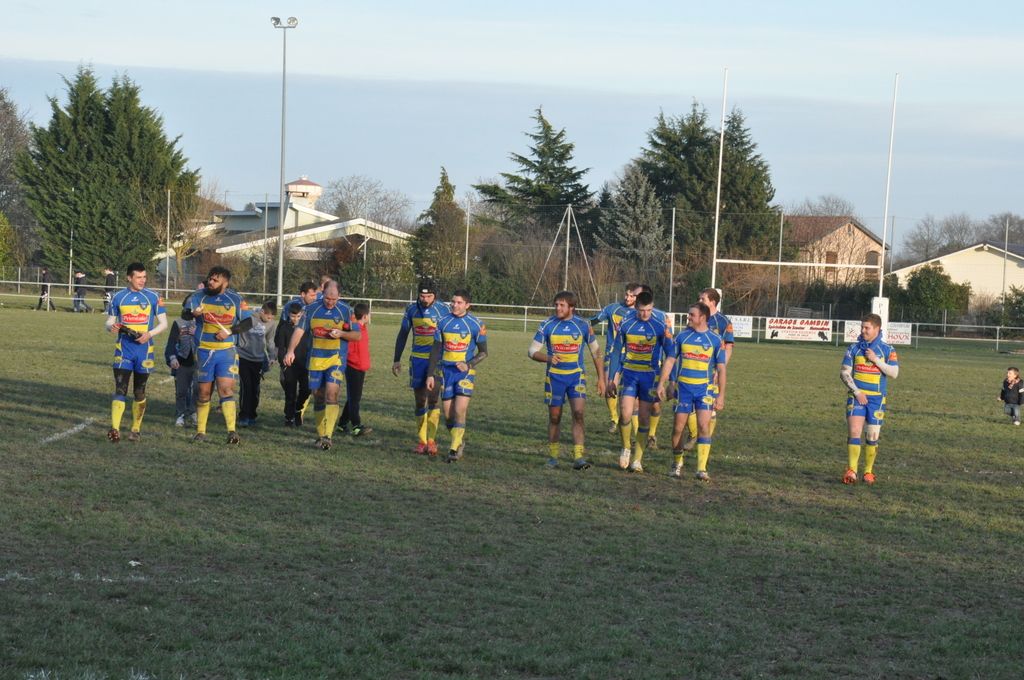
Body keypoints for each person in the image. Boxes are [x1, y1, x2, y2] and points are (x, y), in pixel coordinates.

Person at [529, 290, 606, 470]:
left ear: (571, 307)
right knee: (555, 417)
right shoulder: (547, 324)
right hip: (554, 378)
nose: (558, 308)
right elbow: (532, 351)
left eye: (562, 305)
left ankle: (579, 457)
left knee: (578, 414)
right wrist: (548, 358)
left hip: (576, 377)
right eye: (556, 304)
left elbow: (596, 352)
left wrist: (601, 378)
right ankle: (553, 457)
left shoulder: (583, 325)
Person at [283, 280, 360, 450]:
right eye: (327, 298)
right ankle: (321, 434)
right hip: (316, 359)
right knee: (318, 395)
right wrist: (290, 351)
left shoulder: (347, 311)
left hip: (336, 359)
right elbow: (299, 331)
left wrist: (341, 333)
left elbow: (357, 335)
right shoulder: (311, 309)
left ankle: (328, 436)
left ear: (339, 296)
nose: (330, 301)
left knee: (332, 394)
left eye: (334, 298)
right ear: (321, 293)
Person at [657, 302, 726, 482]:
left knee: (704, 427)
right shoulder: (682, 337)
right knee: (678, 429)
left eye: (691, 315)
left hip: (704, 390)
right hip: (684, 391)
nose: (688, 318)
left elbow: (722, 369)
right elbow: (670, 361)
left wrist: (721, 395)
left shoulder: (715, 340)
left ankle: (701, 469)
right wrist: (662, 384)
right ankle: (676, 463)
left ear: (702, 317)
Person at [606, 291, 673, 472]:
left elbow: (671, 354)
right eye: (642, 310)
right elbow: (616, 351)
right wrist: (612, 378)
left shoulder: (660, 325)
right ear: (636, 307)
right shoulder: (626, 323)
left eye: (649, 310)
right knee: (626, 414)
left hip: (650, 377)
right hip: (629, 375)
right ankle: (626, 447)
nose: (645, 314)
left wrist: (669, 381)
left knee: (644, 418)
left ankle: (637, 460)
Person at [105, 262, 168, 442]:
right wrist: (112, 327)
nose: (142, 280)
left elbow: (164, 324)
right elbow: (109, 322)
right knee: (120, 388)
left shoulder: (153, 297)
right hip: (123, 349)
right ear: (129, 278)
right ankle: (115, 428)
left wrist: (149, 334)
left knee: (139, 391)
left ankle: (135, 429)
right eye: (139, 277)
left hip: (144, 351)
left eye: (144, 277)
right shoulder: (118, 298)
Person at [187, 266, 249, 444]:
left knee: (226, 390)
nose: (211, 282)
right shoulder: (198, 296)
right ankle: (201, 431)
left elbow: (249, 322)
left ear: (225, 282)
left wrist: (230, 331)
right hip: (203, 351)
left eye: (215, 280)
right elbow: (185, 313)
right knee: (204, 392)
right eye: (210, 279)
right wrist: (193, 313)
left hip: (226, 352)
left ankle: (232, 431)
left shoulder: (235, 299)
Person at [426, 289, 487, 463]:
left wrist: (468, 364)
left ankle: (453, 449)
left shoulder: (476, 324)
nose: (454, 305)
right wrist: (430, 374)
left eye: (459, 302)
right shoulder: (442, 322)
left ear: (467, 305)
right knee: (448, 416)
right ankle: (459, 440)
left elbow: (483, 352)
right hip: (446, 372)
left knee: (460, 409)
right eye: (453, 302)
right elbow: (436, 350)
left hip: (465, 374)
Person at [392, 278, 450, 455]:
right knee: (420, 400)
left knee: (433, 398)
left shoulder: (443, 310)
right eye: (422, 295)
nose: (425, 299)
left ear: (435, 296)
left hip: (437, 361)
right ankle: (422, 440)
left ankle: (431, 440)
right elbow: (403, 334)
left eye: (429, 296)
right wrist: (396, 359)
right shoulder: (411, 310)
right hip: (417, 359)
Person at [840, 313, 900, 485]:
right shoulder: (853, 348)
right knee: (854, 432)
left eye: (867, 327)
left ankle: (868, 472)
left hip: (877, 401)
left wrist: (876, 361)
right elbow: (844, 373)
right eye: (862, 327)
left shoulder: (888, 350)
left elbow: (894, 373)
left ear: (877, 329)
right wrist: (857, 392)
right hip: (857, 397)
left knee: (872, 437)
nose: (863, 330)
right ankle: (852, 470)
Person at [681, 288, 735, 451]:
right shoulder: (696, 317)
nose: (700, 301)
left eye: (703, 299)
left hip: (710, 372)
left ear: (713, 302)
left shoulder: (724, 322)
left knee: (709, 408)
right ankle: (694, 434)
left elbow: (728, 348)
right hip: (692, 370)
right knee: (688, 407)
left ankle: (703, 440)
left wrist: (720, 370)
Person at [589, 282, 640, 434]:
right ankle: (614, 419)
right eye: (626, 294)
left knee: (634, 395)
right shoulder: (613, 308)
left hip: (633, 356)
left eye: (632, 295)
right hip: (613, 353)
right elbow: (593, 321)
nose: (628, 297)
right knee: (609, 387)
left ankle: (637, 431)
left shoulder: (641, 312)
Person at [236, 300, 277, 427]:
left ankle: (252, 415)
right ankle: (243, 416)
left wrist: (272, 356)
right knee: (246, 386)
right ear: (262, 312)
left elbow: (270, 341)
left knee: (255, 389)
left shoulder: (272, 324)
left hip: (258, 360)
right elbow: (235, 331)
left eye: (272, 318)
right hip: (243, 357)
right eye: (268, 316)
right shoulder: (248, 319)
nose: (269, 319)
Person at [164, 294, 200, 427]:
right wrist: (172, 358)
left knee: (198, 389)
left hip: (199, 362)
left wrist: (198, 333)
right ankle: (180, 414)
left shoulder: (202, 323)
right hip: (182, 361)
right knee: (181, 391)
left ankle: (193, 412)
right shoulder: (178, 323)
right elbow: (170, 344)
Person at [339, 302, 373, 437]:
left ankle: (342, 424)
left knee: (353, 397)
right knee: (355, 398)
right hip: (353, 367)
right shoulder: (353, 329)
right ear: (365, 316)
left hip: (361, 366)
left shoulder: (362, 327)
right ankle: (356, 425)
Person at [276, 301, 312, 427]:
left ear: (302, 315)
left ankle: (298, 408)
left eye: (298, 316)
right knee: (290, 392)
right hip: (290, 365)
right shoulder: (284, 328)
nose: (295, 319)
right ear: (288, 315)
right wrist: (283, 363)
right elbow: (281, 347)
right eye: (293, 316)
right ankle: (289, 417)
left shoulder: (307, 328)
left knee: (307, 390)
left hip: (304, 364)